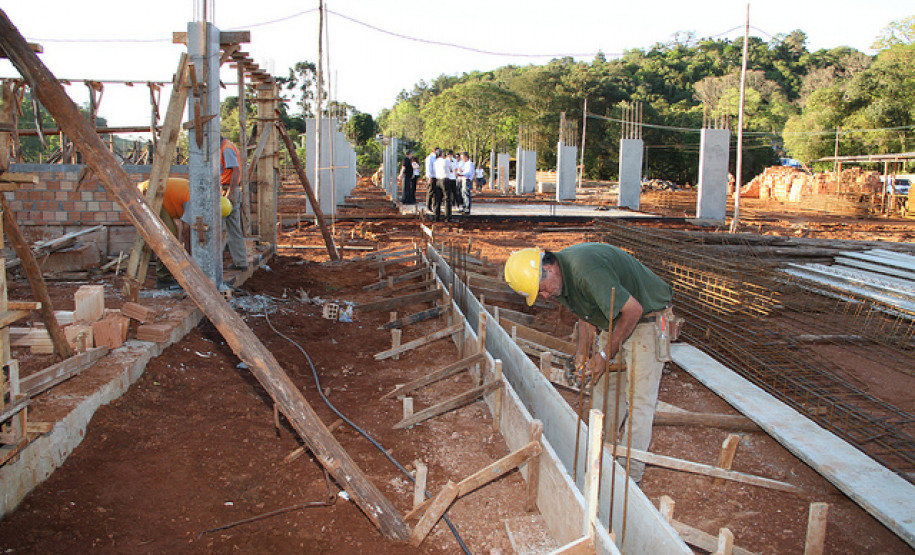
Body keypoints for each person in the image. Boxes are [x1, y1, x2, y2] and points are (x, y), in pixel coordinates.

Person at [503, 243, 673, 486]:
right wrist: (582, 352)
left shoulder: (585, 270)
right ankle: (603, 460)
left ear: (548, 269)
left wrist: (604, 354)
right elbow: (585, 313)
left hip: (646, 317)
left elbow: (633, 310)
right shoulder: (561, 280)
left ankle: (629, 478)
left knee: (639, 402)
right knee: (605, 393)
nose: (545, 296)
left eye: (542, 289)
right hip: (615, 319)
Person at [138, 177, 191, 289]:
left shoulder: (202, 197)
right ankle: (164, 278)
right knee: (168, 238)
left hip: (160, 195)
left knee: (172, 236)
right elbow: (186, 231)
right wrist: (189, 257)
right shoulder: (194, 200)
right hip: (150, 193)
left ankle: (167, 274)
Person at [220, 136, 248, 271]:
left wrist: (230, 193)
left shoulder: (226, 149)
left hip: (228, 190)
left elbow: (236, 170)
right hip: (228, 190)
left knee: (221, 227)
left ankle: (213, 264)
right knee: (233, 227)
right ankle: (241, 262)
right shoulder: (227, 146)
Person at [433, 149, 455, 222]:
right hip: (445, 179)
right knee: (447, 199)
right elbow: (451, 169)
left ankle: (437, 216)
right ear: (442, 154)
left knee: (438, 199)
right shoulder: (446, 161)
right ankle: (448, 217)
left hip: (437, 180)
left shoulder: (435, 162)